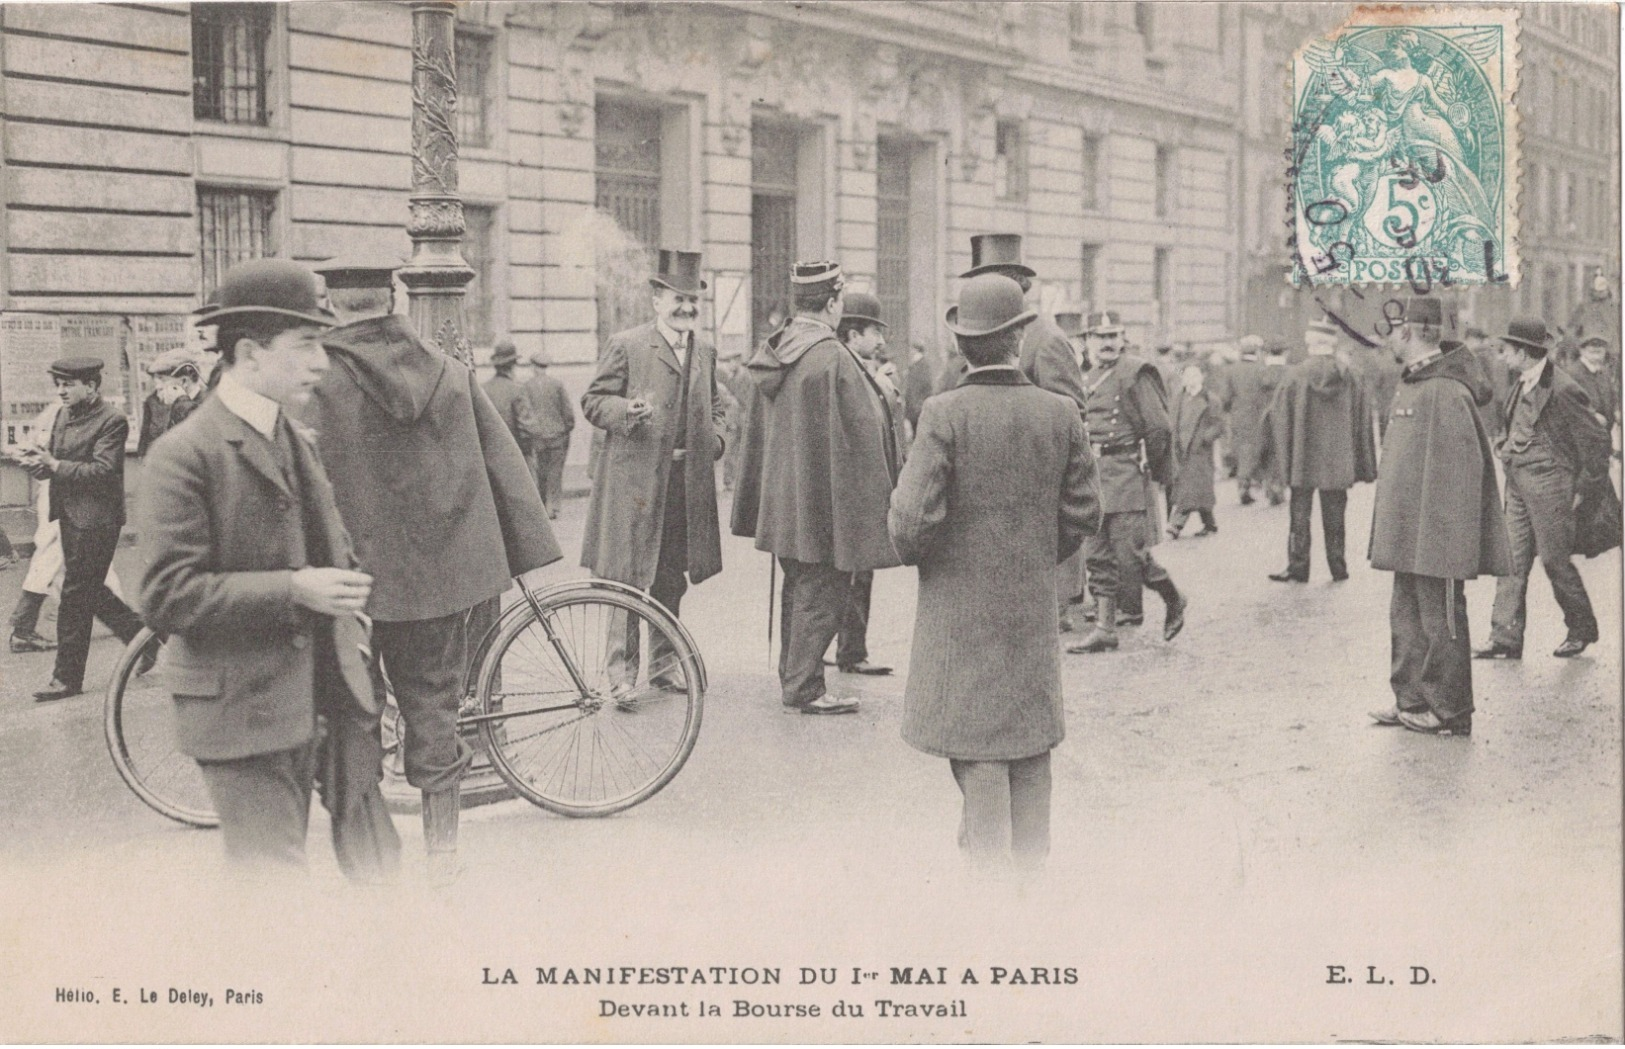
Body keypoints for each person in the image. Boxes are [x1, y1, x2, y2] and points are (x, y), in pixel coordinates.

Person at [138, 258, 401, 877]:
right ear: (251, 353)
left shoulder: (291, 436)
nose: (322, 362)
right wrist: (297, 590)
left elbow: (334, 549)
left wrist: (351, 630)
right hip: (242, 715)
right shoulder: (183, 454)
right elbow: (166, 594)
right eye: (307, 345)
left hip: (328, 698)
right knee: (271, 887)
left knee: (377, 868)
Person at [305, 253, 561, 884]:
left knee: (354, 718)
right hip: (437, 581)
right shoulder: (446, 369)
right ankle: (443, 857)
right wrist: (522, 545)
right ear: (391, 297)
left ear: (333, 304)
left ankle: (371, 859)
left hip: (352, 586)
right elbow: (498, 460)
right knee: (436, 714)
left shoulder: (316, 380)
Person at [889, 273, 1100, 874]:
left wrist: (940, 556)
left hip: (960, 610)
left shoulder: (943, 413)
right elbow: (1085, 512)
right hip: (1030, 604)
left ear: (963, 345)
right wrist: (1033, 556)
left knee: (978, 744)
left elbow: (909, 523)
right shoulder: (1059, 413)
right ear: (1017, 339)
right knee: (1029, 743)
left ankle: (990, 896)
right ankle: (1031, 879)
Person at [731, 261, 900, 715]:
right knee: (824, 588)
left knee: (800, 585)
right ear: (831, 303)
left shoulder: (779, 348)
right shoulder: (830, 356)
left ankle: (794, 671)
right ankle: (804, 687)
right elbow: (863, 431)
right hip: (822, 500)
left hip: (785, 499)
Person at [581, 248, 727, 700]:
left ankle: (665, 667)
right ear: (657, 300)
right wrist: (626, 410)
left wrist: (715, 441)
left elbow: (719, 408)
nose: (686, 308)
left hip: (685, 486)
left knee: (669, 577)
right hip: (637, 486)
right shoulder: (628, 344)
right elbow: (593, 401)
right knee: (627, 577)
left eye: (692, 301)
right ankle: (621, 676)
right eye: (677, 299)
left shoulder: (704, 351)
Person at [1368, 297, 1511, 736]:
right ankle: (1410, 699)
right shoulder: (1418, 382)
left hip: (1438, 536)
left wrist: (1450, 545)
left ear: (1408, 332)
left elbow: (1463, 475)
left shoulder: (1445, 390)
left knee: (1441, 619)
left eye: (1392, 331)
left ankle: (1450, 710)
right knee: (1406, 616)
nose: (1388, 340)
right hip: (1412, 532)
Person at [962, 235, 1089, 632]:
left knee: (1036, 617)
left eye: (993, 281)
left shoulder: (1045, 338)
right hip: (985, 489)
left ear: (1017, 285)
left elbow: (1070, 412)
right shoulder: (977, 332)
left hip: (1031, 490)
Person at [1475, 317, 1612, 660]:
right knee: (1512, 561)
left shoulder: (1563, 388)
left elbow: (1597, 442)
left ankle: (1581, 629)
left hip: (1552, 487)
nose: (1502, 357)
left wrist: (1584, 489)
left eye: (1506, 350)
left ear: (1523, 352)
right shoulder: (1521, 382)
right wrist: (1506, 442)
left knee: (1554, 561)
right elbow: (1513, 423)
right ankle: (1504, 636)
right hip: (1518, 486)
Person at [18, 357, 145, 702]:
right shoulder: (63, 414)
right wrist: (39, 466)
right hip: (70, 516)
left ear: (91, 386)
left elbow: (103, 472)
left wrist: (54, 465)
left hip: (97, 520)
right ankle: (144, 640)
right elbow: (57, 464)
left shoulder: (113, 421)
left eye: (69, 384)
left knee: (75, 596)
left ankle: (66, 679)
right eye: (58, 383)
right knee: (89, 589)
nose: (62, 390)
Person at [1068, 309, 1187, 654]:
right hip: (1095, 475)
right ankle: (1105, 628)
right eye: (1099, 336)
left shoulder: (1137, 372)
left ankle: (1173, 596)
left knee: (1129, 556)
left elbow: (1159, 427)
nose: (1106, 343)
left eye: (1112, 336)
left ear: (1122, 339)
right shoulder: (1088, 378)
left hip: (1126, 472)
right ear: (1087, 341)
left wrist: (1156, 469)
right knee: (1097, 554)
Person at [824, 291, 906, 677]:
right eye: (875, 332)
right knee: (851, 572)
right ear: (853, 334)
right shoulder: (848, 371)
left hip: (861, 488)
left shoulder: (858, 370)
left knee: (858, 572)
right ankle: (849, 651)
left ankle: (849, 648)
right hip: (852, 490)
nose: (882, 341)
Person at [1262, 318, 1378, 583]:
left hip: (1303, 458)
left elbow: (1278, 417)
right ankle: (1338, 567)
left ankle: (1298, 567)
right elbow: (1362, 420)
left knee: (1299, 515)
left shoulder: (1295, 375)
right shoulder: (1351, 376)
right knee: (1336, 515)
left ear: (1311, 343)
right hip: (1339, 460)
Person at [8, 401, 125, 654]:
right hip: (61, 495)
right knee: (52, 559)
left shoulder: (70, 412)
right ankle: (22, 627)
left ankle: (126, 620)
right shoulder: (59, 412)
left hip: (73, 496)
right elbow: (34, 453)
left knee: (87, 561)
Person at [1223, 335, 1283, 505]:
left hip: (1238, 416)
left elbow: (1225, 397)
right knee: (1264, 450)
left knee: (1244, 450)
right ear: (1256, 351)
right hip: (1258, 416)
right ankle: (1269, 487)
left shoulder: (1231, 370)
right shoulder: (1261, 369)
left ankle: (1244, 486)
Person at [1167, 364, 1223, 538]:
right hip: (1181, 451)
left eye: (1193, 376)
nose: (1189, 380)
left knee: (1189, 490)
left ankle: (1176, 525)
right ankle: (1209, 523)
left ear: (1201, 378)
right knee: (1196, 490)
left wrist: (1206, 438)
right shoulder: (1179, 398)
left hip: (1200, 452)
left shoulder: (1210, 399)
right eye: (1187, 377)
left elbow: (1219, 424)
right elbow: (1172, 421)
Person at [522, 348, 575, 518]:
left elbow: (525, 412)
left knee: (540, 473)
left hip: (537, 437)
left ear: (533, 366)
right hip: (557, 436)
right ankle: (554, 507)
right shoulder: (557, 384)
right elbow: (568, 411)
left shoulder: (526, 386)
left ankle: (543, 506)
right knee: (555, 473)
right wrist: (566, 429)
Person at [137, 347, 204, 456]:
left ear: (184, 381)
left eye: (162, 379)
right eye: (155, 380)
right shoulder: (154, 402)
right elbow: (144, 447)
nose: (158, 387)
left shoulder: (207, 404)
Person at [483, 339, 541, 455]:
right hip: (515, 455)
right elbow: (528, 426)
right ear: (513, 365)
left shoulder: (483, 388)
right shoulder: (517, 389)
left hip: (490, 455)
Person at [1565, 335, 1620, 438]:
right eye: (1592, 352)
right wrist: (1592, 415)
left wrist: (1617, 410)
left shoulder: (1603, 371)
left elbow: (1612, 393)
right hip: (1583, 431)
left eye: (1600, 352)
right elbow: (1569, 401)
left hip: (1605, 430)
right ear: (1582, 351)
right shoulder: (1573, 373)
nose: (1597, 357)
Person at [1464, 326, 1514, 439]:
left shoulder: (1481, 356)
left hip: (1482, 400)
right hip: (1484, 400)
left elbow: (1486, 380)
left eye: (1475, 340)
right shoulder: (1481, 355)